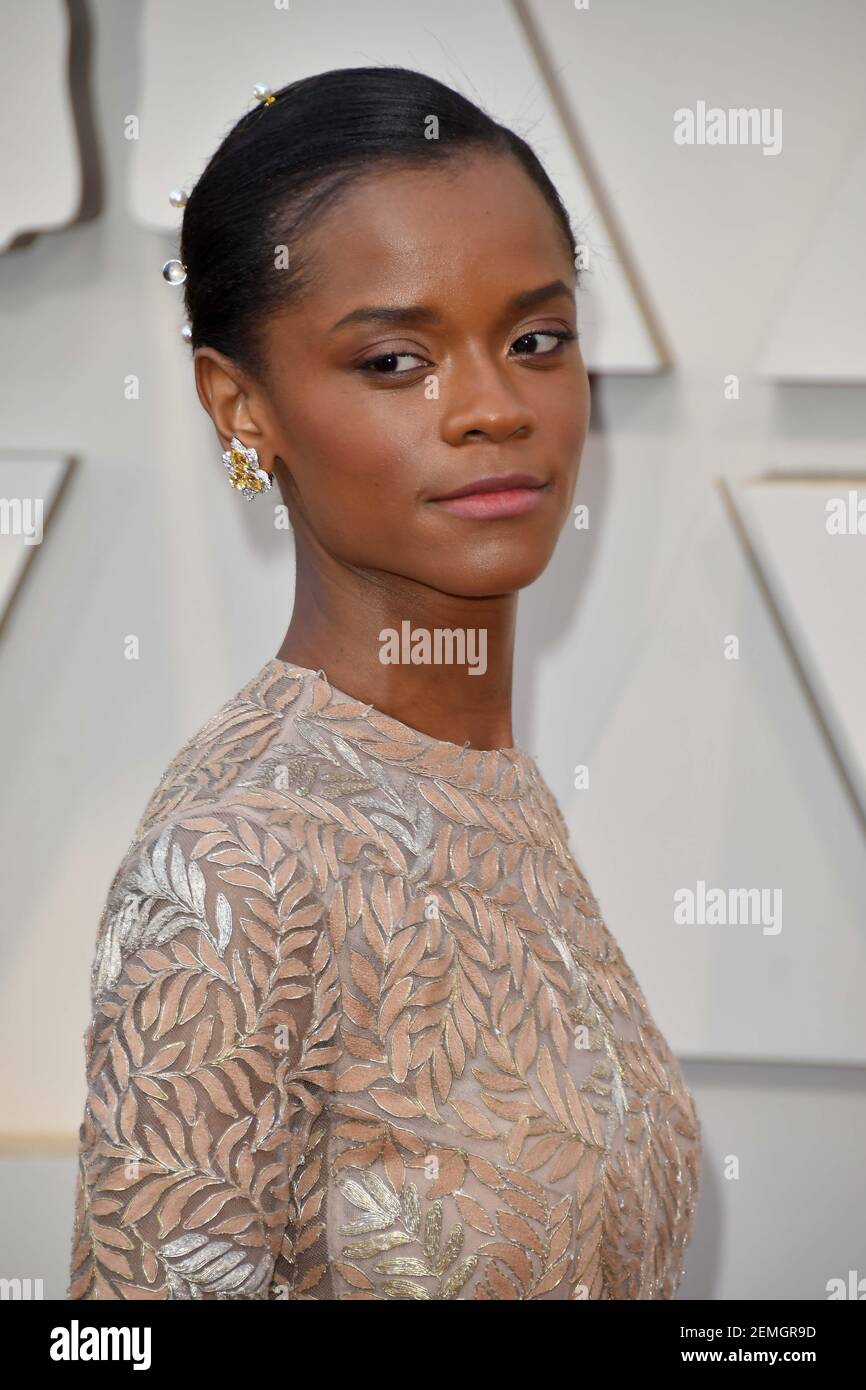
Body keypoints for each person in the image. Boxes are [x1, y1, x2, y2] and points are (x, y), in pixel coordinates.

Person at [68, 65, 701, 1301]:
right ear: (241, 409)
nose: (491, 409)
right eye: (396, 360)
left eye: (534, 340)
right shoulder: (241, 863)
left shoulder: (493, 792)